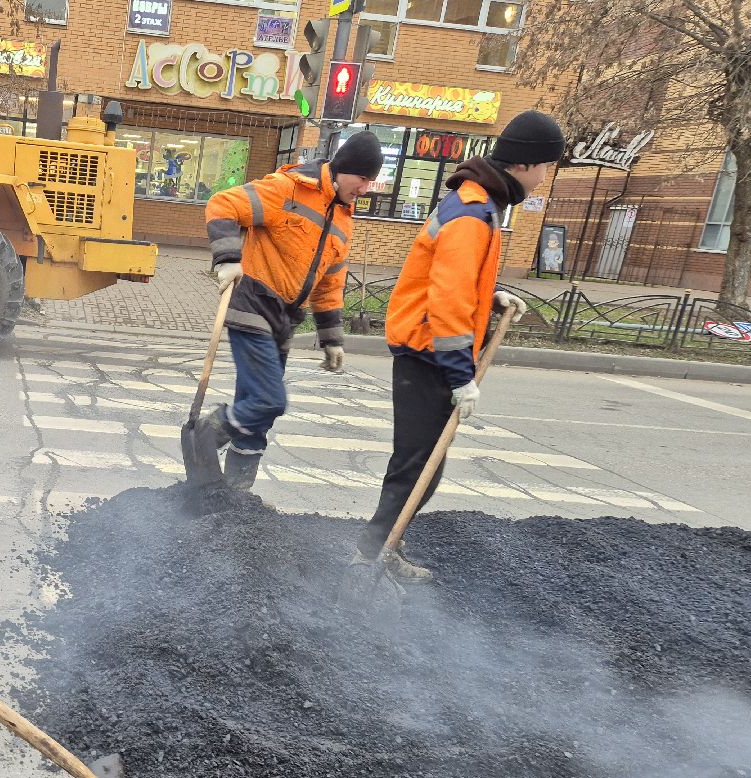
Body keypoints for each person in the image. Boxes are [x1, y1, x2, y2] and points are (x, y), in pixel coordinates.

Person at [352, 110, 565, 582]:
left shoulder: (474, 203)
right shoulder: (473, 214)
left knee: (422, 465)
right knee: (416, 467)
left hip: (425, 347)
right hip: (427, 352)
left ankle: (381, 547)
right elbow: (446, 302)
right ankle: (370, 556)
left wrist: (490, 298)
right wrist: (460, 376)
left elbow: (453, 278)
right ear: (527, 165)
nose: (544, 177)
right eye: (545, 167)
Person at [194, 131, 383, 492]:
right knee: (269, 399)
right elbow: (223, 204)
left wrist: (331, 339)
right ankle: (209, 432)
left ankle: (235, 496)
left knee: (259, 412)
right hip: (253, 306)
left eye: (370, 182)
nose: (365, 188)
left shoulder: (343, 220)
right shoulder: (289, 190)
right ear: (344, 170)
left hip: (284, 319)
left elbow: (330, 284)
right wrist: (228, 259)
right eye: (362, 179)